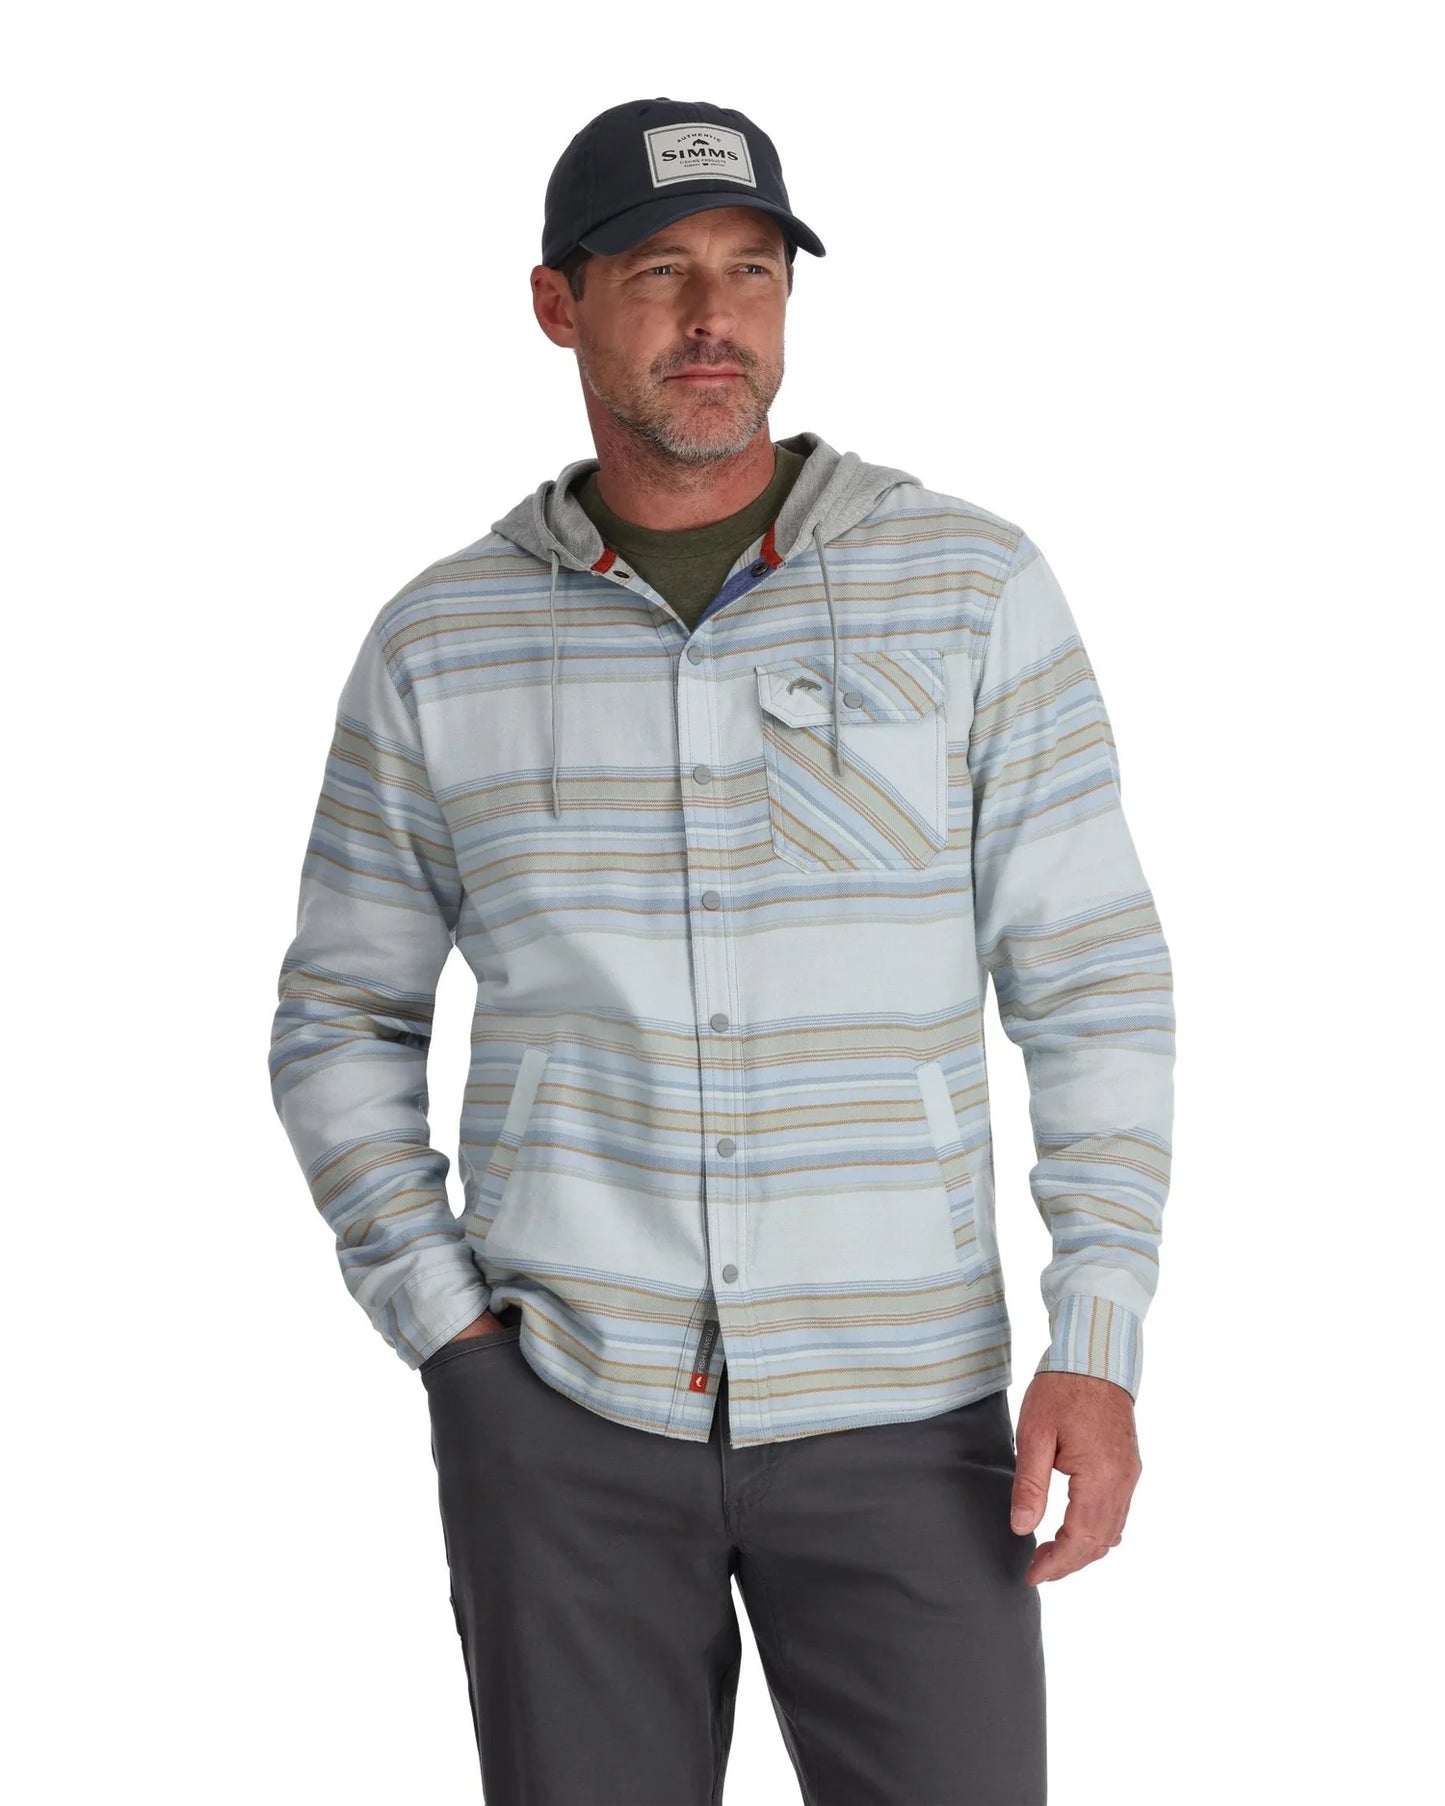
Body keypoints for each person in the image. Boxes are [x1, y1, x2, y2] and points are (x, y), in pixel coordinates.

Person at [268, 94, 1175, 1806]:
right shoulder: (438, 643)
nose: (713, 319)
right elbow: (341, 1017)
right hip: (564, 1413)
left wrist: (1097, 1331)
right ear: (557, 304)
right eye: (659, 273)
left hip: (910, 1414)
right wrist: (454, 1341)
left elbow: (1093, 981)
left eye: (751, 271)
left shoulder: (970, 590)